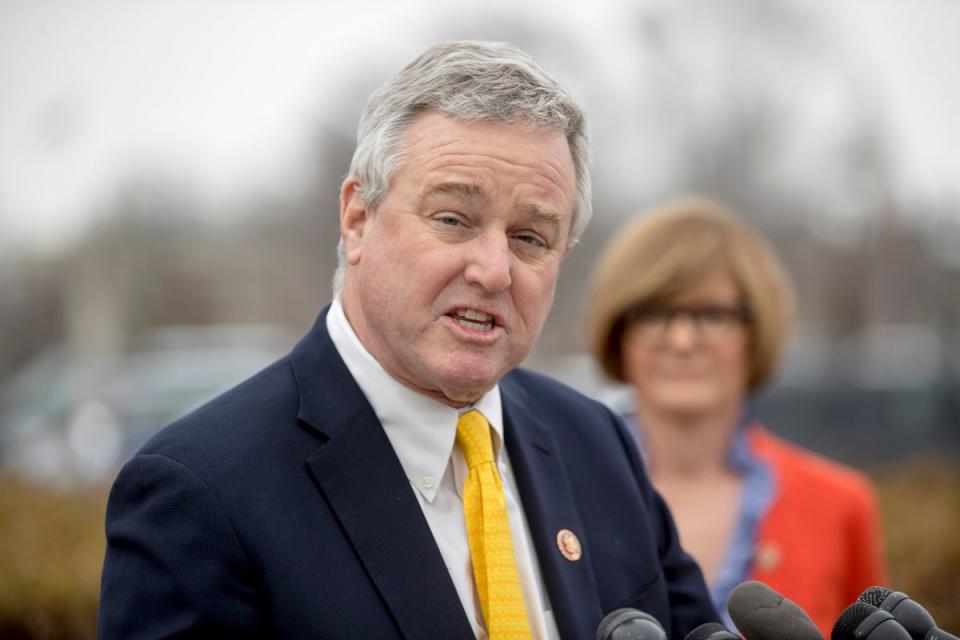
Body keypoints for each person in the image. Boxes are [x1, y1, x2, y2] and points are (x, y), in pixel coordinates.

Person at [97, 41, 719, 639]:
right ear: (357, 220)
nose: (493, 270)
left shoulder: (598, 442)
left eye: (531, 237)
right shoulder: (201, 495)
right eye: (453, 219)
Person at [586, 197, 888, 635]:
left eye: (712, 314)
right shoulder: (556, 490)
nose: (683, 340)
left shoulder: (841, 505)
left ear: (757, 328)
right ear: (617, 329)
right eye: (654, 313)